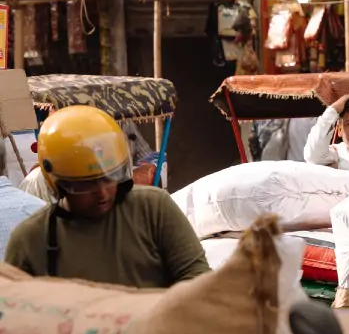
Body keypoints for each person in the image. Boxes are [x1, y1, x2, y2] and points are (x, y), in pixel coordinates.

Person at [5, 107, 209, 288]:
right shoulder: (30, 239)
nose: (102, 193)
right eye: (86, 184)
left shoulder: (153, 209)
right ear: (57, 183)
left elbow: (199, 282)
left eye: (110, 178)